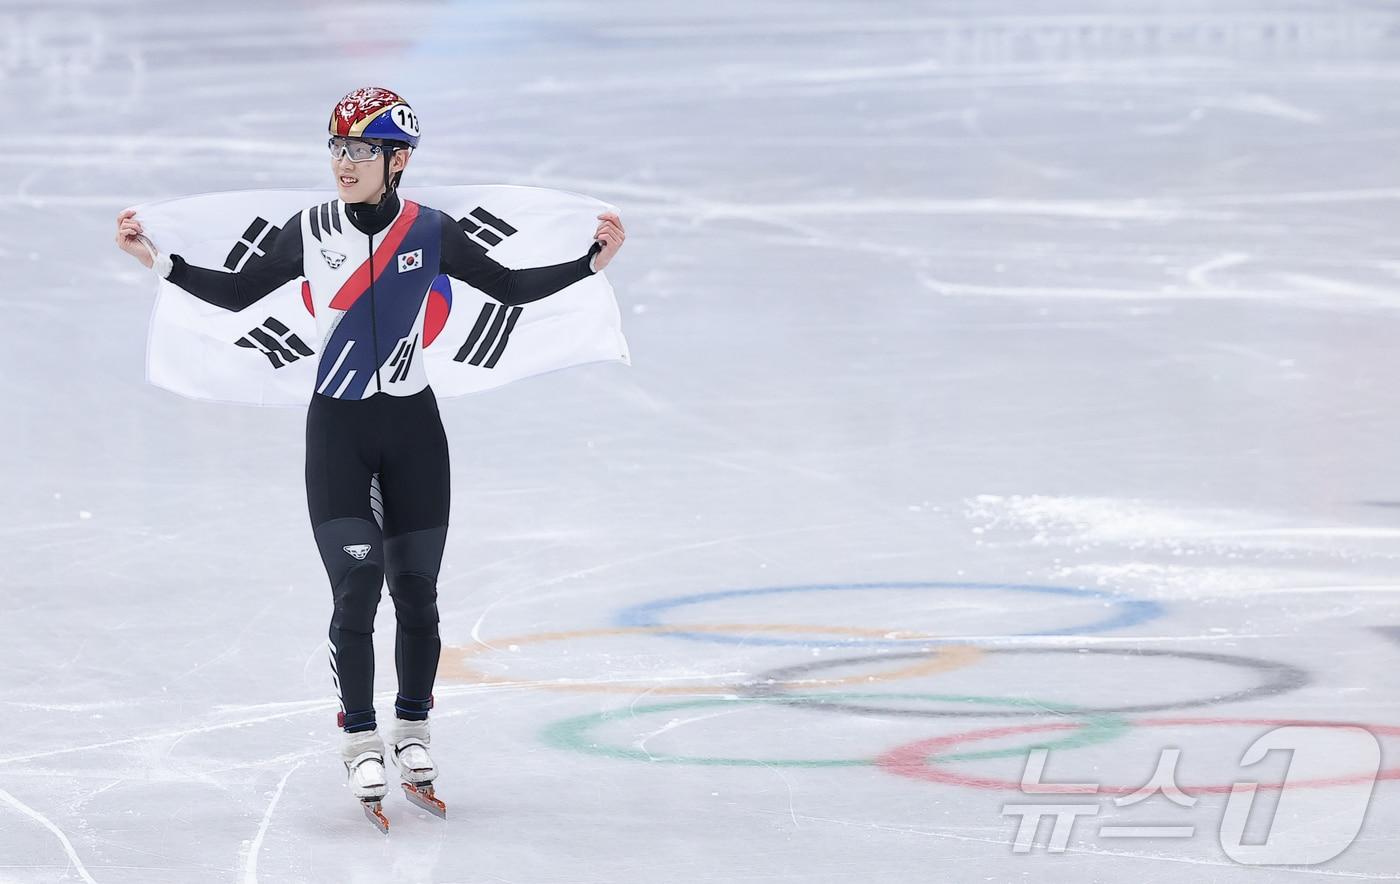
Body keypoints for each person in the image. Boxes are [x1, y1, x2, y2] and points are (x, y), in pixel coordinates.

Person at [114, 86, 625, 826]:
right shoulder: (310, 227)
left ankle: (412, 728)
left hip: (415, 427)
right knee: (357, 588)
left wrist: (589, 263)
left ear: (398, 159)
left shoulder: (432, 229)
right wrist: (156, 261)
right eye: (335, 147)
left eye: (358, 150)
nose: (342, 163)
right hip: (339, 434)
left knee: (417, 591)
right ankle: (358, 734)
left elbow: (508, 288)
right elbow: (238, 294)